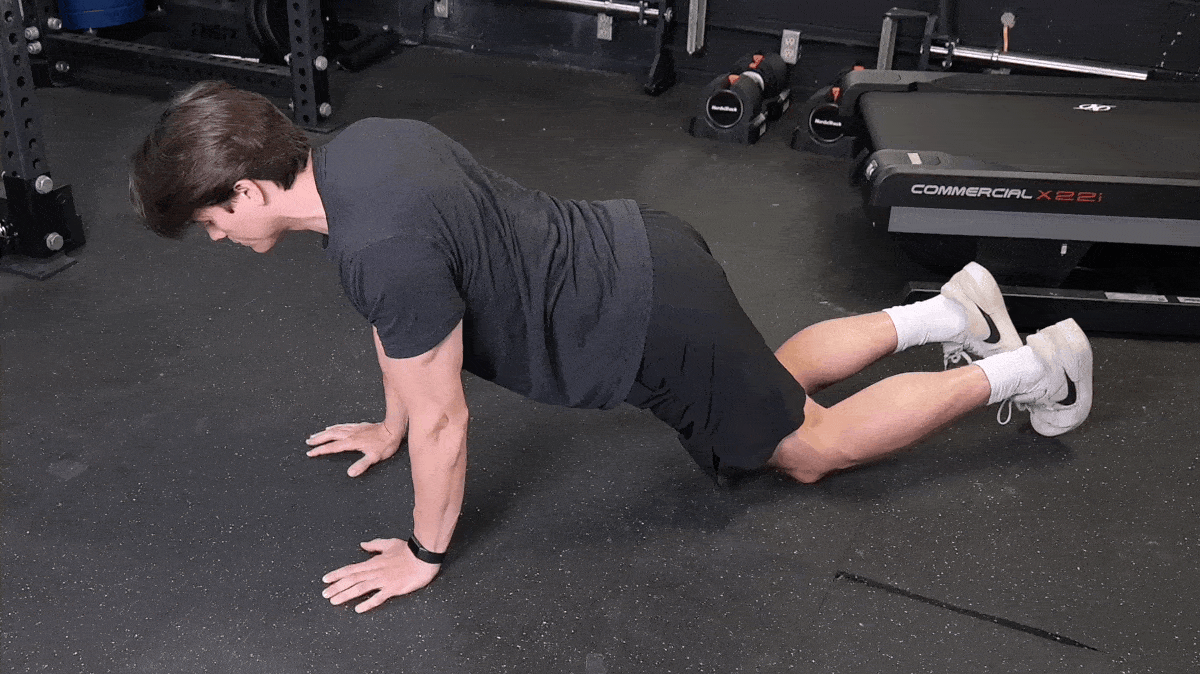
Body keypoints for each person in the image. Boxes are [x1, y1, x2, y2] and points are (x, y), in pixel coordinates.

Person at [129, 81, 1093, 614]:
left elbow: (447, 419)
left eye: (211, 222)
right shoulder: (369, 146)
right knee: (766, 381)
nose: (218, 240)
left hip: (644, 324)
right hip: (645, 247)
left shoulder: (377, 249)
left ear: (245, 191)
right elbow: (409, 346)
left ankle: (1035, 364)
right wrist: (387, 427)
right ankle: (953, 314)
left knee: (807, 447)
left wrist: (424, 551)